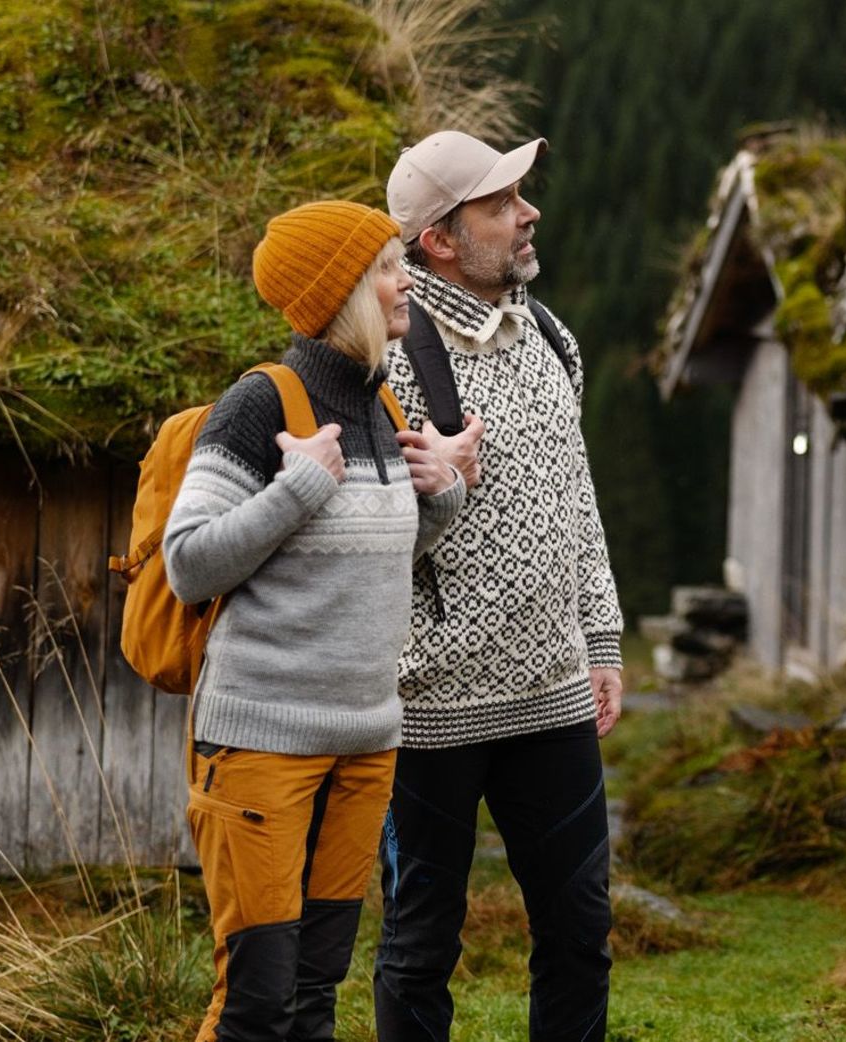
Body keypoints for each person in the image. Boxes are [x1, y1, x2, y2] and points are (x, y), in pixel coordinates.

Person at [161, 199, 469, 1042]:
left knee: (315, 990)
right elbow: (187, 562)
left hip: (366, 747)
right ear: (342, 291)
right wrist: (296, 489)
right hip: (261, 745)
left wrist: (441, 503)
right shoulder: (260, 405)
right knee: (257, 1000)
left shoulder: (382, 407)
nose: (405, 280)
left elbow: (360, 566)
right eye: (384, 267)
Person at [370, 130, 625, 1042]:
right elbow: (350, 539)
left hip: (553, 697)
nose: (529, 213)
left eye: (522, 195)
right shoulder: (387, 361)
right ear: (438, 238)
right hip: (427, 710)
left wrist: (600, 639)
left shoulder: (552, 336)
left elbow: (576, 498)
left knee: (580, 934)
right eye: (501, 203)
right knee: (419, 946)